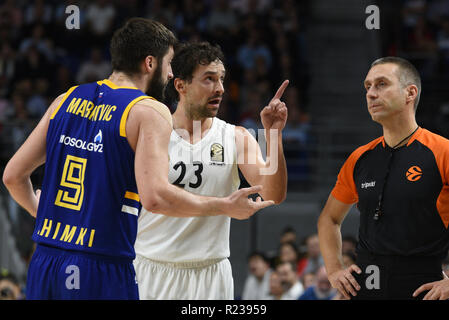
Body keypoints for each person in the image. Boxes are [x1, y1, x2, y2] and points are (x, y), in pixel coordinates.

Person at [2, 18, 273, 300]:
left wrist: (40, 211)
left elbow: (12, 176)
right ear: (150, 63)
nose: (170, 75)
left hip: (47, 259)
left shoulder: (65, 99)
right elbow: (155, 198)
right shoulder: (148, 110)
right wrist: (224, 206)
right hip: (102, 263)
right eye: (169, 64)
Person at [133, 41, 288, 300]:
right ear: (180, 85)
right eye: (209, 79)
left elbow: (273, 194)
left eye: (222, 79)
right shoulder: (151, 133)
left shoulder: (236, 136)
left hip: (211, 273)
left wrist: (273, 136)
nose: (220, 89)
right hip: (152, 266)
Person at [317, 56, 449, 300]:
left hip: (423, 286)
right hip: (366, 284)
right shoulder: (359, 158)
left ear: (410, 93)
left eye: (381, 84)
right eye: (367, 87)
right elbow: (329, 219)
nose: (371, 93)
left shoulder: (442, 152)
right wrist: (334, 270)